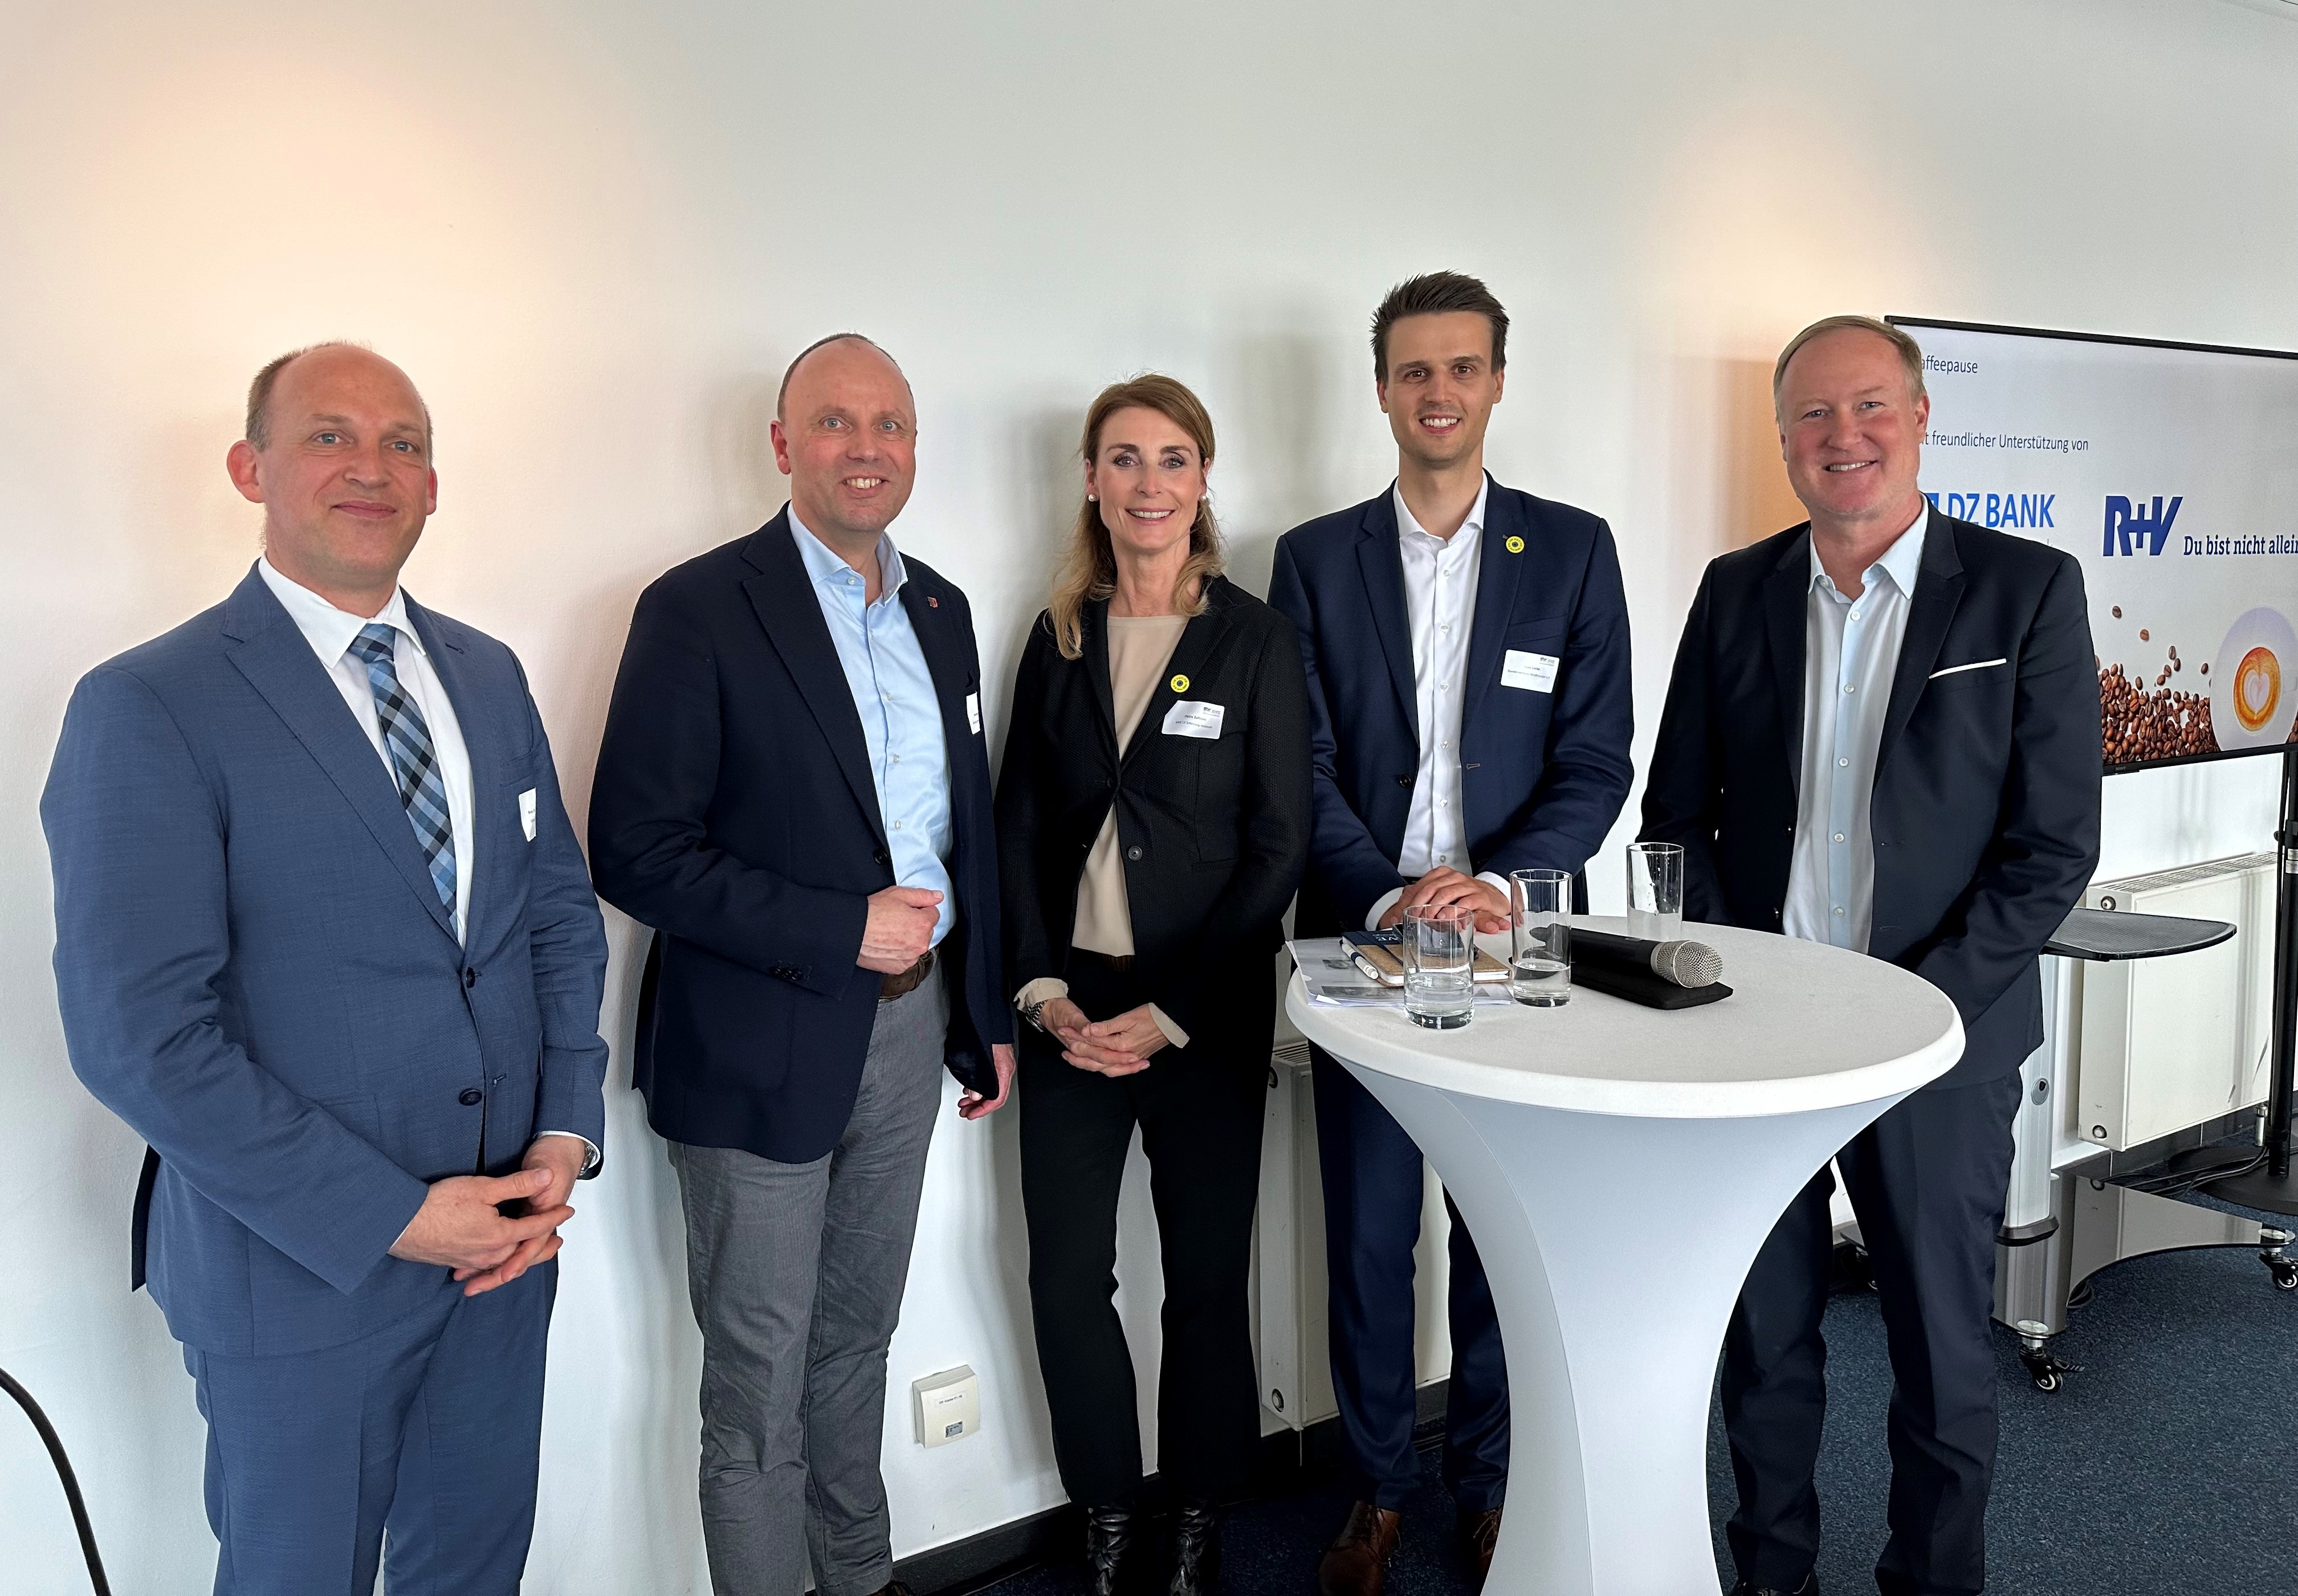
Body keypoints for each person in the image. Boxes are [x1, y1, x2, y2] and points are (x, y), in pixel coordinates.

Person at [41, 342, 610, 1594]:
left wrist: (564, 1137)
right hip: (298, 1273)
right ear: (250, 468)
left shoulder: (489, 675)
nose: (372, 467)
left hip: (505, 1249)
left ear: (434, 486)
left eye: (403, 443)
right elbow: (140, 1036)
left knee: (475, 1569)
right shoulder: (149, 703)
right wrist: (396, 1216)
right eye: (329, 436)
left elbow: (555, 917)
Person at [1640, 315, 2102, 1596]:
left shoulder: (2024, 589)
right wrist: (1724, 977)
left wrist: (1918, 1011)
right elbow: (1676, 814)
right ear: (1785, 437)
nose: (1842, 436)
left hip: (1941, 1043)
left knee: (1941, 1352)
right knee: (1765, 1340)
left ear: (1919, 417)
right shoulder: (1736, 591)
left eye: (1869, 407)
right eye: (1813, 414)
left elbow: (2053, 849)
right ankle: (1772, 1572)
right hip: (1757, 1035)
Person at [588, 333, 1015, 1596]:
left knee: (858, 1342)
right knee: (758, 1386)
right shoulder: (698, 608)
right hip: (756, 1044)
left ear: (915, 447)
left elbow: (965, 831)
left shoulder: (940, 610)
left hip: (910, 1031)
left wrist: (984, 1009)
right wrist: (839, 928)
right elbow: (635, 850)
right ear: (784, 445)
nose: (866, 448)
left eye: (890, 425)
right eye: (835, 422)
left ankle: (862, 1577)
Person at [1267, 272, 1635, 1595]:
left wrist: (1503, 885)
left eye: (1462, 368)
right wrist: (1386, 894)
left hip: (1508, 949)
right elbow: (1300, 761)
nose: (1439, 392)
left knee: (1498, 1235)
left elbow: (1596, 757)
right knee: (1370, 1239)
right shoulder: (1314, 560)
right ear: (1381, 389)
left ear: (1496, 382)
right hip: (1366, 943)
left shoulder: (1573, 550)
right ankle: (1378, 1487)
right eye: (1415, 370)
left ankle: (1489, 1489)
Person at [997, 375, 1311, 1595]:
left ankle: (1196, 1510)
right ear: (1092, 480)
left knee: (1206, 1279)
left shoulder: (1254, 637)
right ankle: (1109, 1508)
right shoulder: (1059, 634)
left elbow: (1278, 846)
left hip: (1203, 1011)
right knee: (1068, 1276)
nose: (1149, 483)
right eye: (1124, 458)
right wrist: (1040, 988)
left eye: (1173, 458)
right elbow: (1021, 820)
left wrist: (1174, 1008)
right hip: (1072, 1010)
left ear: (1203, 479)